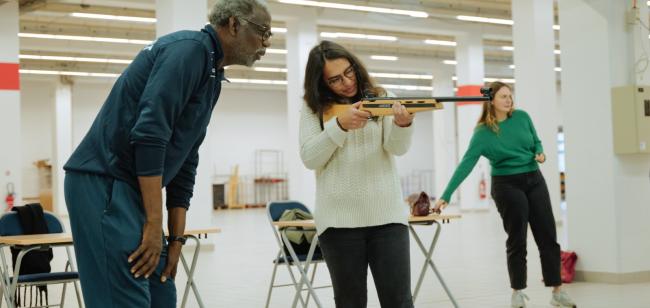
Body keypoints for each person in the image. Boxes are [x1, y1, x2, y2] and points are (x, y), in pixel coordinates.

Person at [62, 1, 271, 307]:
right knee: (123, 298)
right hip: (104, 183)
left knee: (162, 292)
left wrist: (175, 239)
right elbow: (150, 135)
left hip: (133, 188)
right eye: (263, 32)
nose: (267, 43)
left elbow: (186, 160)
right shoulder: (190, 51)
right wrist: (152, 224)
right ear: (234, 24)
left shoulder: (212, 75)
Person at [433, 82, 576, 308]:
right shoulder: (483, 133)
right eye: (503, 97)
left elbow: (536, 141)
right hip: (507, 185)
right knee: (517, 239)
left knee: (548, 237)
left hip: (534, 179)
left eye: (510, 96)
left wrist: (540, 152)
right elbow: (466, 165)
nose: (509, 100)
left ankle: (557, 291)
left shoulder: (522, 117)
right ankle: (517, 292)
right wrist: (446, 195)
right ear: (491, 100)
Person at [299, 40, 415, 308]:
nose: (347, 82)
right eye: (335, 79)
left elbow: (397, 148)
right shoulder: (312, 108)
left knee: (399, 301)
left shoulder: (381, 95)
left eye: (349, 72)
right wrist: (339, 126)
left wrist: (403, 123)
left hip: (388, 218)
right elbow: (309, 157)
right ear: (321, 83)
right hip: (338, 224)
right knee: (350, 302)